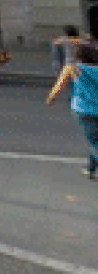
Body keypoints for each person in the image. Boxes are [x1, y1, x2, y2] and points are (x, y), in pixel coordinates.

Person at [47, 40, 98, 180]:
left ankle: (92, 167)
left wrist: (51, 98)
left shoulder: (73, 68)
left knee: (93, 140)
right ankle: (90, 168)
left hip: (84, 110)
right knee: (94, 139)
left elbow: (60, 84)